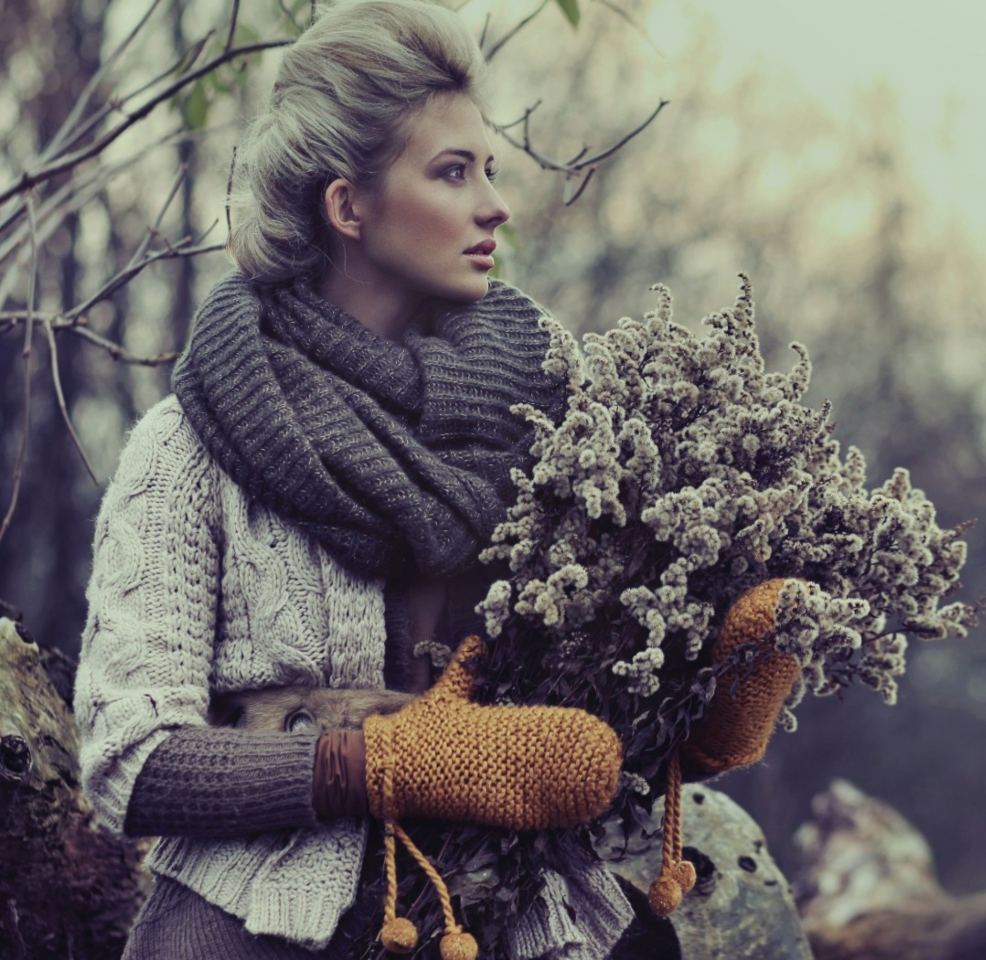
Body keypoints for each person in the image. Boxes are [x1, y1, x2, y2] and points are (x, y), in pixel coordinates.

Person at [73, 1, 636, 957]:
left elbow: (588, 730)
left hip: (511, 923)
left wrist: (715, 677)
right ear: (349, 206)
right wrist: (368, 764)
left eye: (489, 170)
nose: (494, 205)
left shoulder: (551, 428)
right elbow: (130, 763)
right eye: (453, 172)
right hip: (254, 930)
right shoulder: (190, 447)